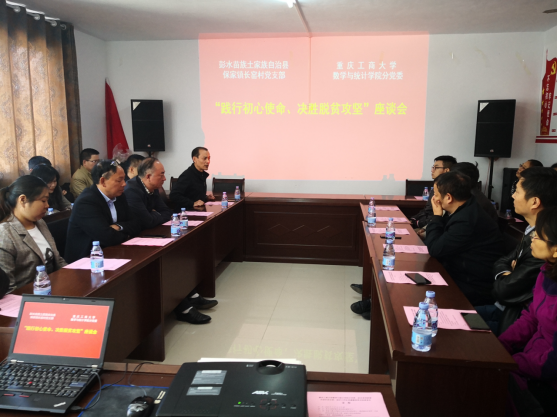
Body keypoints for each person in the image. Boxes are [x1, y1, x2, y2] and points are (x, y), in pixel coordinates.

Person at [476, 167, 557, 335]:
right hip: (502, 310)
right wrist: (508, 273)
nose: (512, 196)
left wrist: (508, 274)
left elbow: (503, 290)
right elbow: (502, 261)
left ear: (534, 202)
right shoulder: (531, 230)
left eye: (517, 192)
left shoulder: (545, 244)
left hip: (513, 319)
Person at [499, 207, 557, 416]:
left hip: (546, 381)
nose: (532, 238)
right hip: (528, 362)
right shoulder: (546, 271)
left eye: (538, 236)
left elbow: (552, 364)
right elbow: (531, 318)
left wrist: (513, 363)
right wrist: (501, 346)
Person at [425, 171, 505, 306]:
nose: (434, 199)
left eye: (436, 195)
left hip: (472, 287)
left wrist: (437, 216)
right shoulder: (467, 207)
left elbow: (435, 249)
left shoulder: (466, 220)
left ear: (448, 197)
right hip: (460, 274)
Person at [65, 160, 142, 264]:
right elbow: (107, 237)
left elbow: (137, 224)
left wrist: (118, 227)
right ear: (103, 181)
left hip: (114, 252)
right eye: (119, 180)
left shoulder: (119, 196)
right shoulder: (86, 202)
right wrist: (127, 234)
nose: (124, 184)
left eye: (124, 179)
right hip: (87, 261)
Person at [0, 176, 67, 291]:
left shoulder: (40, 223)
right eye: (43, 200)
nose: (47, 205)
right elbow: (7, 287)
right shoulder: (5, 233)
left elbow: (58, 260)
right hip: (27, 296)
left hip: (54, 287)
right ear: (22, 200)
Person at [410, 155, 457, 234]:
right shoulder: (436, 187)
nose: (432, 170)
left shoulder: (448, 190)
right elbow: (427, 210)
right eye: (433, 167)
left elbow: (437, 215)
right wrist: (413, 219)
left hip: (432, 227)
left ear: (446, 170)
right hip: (427, 226)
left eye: (436, 168)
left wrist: (418, 224)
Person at [124, 158, 172, 230]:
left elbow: (167, 212)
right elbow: (147, 222)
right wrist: (156, 214)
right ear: (148, 176)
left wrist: (152, 214)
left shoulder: (153, 187)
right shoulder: (132, 191)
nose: (164, 178)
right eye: (161, 175)